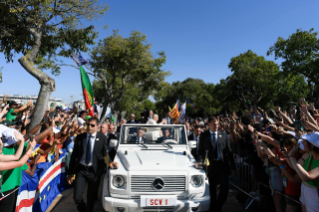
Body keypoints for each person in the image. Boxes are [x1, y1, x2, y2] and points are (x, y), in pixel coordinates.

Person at [67, 117, 108, 212]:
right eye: (88, 124)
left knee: (91, 198)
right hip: (81, 170)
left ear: (97, 127)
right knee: (77, 197)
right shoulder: (80, 138)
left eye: (92, 125)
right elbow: (74, 157)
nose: (89, 127)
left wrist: (106, 167)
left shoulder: (102, 138)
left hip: (94, 172)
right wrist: (70, 174)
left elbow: (105, 155)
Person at [197, 117, 235, 212]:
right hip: (210, 166)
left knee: (224, 190)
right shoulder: (204, 135)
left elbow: (229, 151)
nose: (216, 126)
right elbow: (200, 151)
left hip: (222, 165)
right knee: (212, 190)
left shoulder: (223, 134)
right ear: (209, 125)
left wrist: (233, 167)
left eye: (217, 124)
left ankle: (217, 207)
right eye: (214, 124)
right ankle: (214, 208)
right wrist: (201, 161)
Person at [288, 132, 319, 212]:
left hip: (315, 195)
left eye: (305, 141)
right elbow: (297, 168)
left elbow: (306, 177)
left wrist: (291, 156)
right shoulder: (309, 154)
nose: (302, 142)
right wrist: (287, 155)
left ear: (311, 146)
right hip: (304, 189)